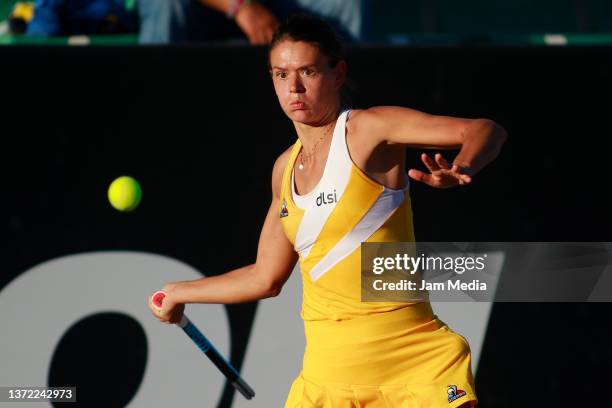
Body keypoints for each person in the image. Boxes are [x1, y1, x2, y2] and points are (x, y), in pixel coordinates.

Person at [149, 14, 507, 407]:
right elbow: (264, 277)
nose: (294, 87)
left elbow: (483, 130)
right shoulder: (284, 169)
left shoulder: (368, 130)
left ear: (338, 74)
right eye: (281, 75)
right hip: (327, 378)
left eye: (308, 71)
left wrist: (463, 167)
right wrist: (178, 291)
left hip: (412, 364)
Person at [137, 0, 367, 44]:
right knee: (165, 3)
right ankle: (153, 105)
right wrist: (239, 6)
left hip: (270, 5)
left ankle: (348, 128)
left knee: (343, 2)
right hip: (194, 10)